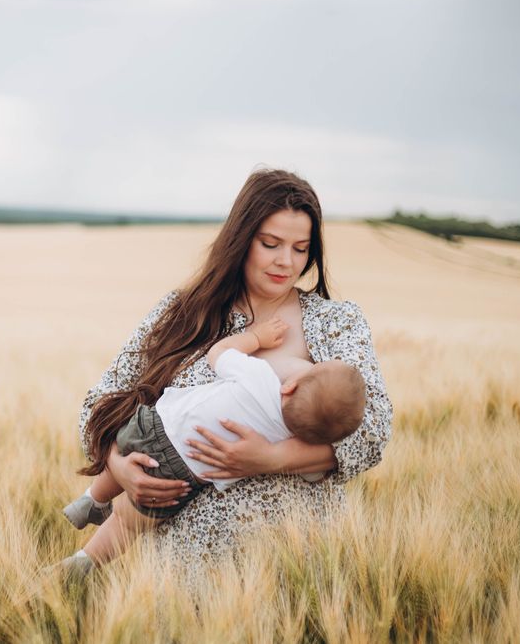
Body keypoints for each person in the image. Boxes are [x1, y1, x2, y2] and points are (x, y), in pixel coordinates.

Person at [69, 168, 393, 580]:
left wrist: (273, 458)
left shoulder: (335, 323)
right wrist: (119, 466)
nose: (285, 261)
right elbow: (100, 402)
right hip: (183, 577)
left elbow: (373, 431)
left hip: (300, 570)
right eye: (270, 243)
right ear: (241, 239)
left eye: (300, 248)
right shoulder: (184, 312)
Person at [60, 315, 366, 572]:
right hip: (182, 475)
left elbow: (220, 352)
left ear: (291, 385)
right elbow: (314, 473)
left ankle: (90, 500)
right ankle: (85, 562)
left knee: (129, 452)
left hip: (157, 424)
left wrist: (255, 338)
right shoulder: (289, 442)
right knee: (128, 525)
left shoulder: (259, 377)